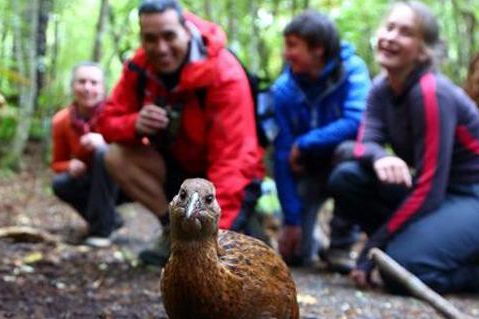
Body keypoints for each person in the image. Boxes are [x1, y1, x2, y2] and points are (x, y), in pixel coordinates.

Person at [328, 1, 479, 294]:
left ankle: (475, 274)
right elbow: (364, 144)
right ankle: (408, 247)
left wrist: (374, 246)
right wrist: (380, 157)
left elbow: (429, 190)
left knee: (399, 270)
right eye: (389, 27)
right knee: (348, 177)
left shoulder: (431, 93)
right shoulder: (381, 88)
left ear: (423, 50)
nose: (391, 37)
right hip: (446, 196)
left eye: (405, 32)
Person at [98, 0, 264, 266]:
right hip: (176, 171)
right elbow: (106, 122)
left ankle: (242, 225)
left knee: (240, 253)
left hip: (224, 180)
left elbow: (234, 161)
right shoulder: (140, 67)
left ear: (186, 30)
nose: (161, 48)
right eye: (150, 39)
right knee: (114, 155)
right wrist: (134, 124)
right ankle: (173, 232)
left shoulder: (224, 74)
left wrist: (216, 236)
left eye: (169, 36)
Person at [271, 10, 370, 271]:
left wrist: (304, 142)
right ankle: (305, 235)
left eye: (293, 46)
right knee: (295, 257)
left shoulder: (352, 71)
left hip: (341, 164)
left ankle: (340, 244)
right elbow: (282, 156)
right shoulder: (283, 91)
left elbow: (357, 121)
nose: (286, 53)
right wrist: (291, 221)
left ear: (318, 49)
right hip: (308, 172)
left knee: (350, 154)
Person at [51, 62, 121, 247]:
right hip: (87, 180)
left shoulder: (116, 114)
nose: (87, 88)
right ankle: (110, 219)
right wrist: (69, 166)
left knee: (101, 153)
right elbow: (57, 163)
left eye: (94, 82)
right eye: (82, 82)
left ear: (103, 88)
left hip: (121, 182)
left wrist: (106, 144)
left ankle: (101, 231)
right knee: (60, 184)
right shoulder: (61, 121)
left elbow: (140, 149)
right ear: (73, 86)